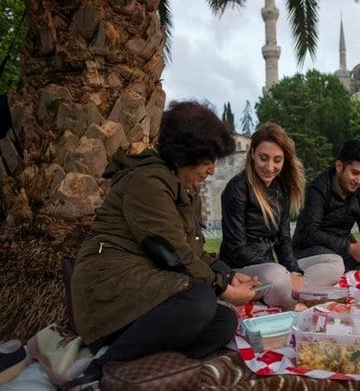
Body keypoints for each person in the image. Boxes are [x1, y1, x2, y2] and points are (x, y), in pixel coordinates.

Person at [66, 101, 257, 389]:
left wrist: (227, 274)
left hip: (144, 289)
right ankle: (102, 365)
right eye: (206, 161)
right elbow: (172, 254)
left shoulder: (181, 186)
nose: (210, 170)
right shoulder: (148, 181)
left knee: (223, 323)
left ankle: (144, 364)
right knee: (200, 299)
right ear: (183, 155)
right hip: (108, 292)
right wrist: (223, 288)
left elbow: (193, 252)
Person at [218, 123, 344, 309]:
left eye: (277, 160)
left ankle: (284, 292)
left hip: (272, 267)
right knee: (277, 277)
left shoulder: (281, 189)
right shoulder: (237, 189)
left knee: (335, 262)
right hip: (242, 268)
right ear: (252, 154)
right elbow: (236, 248)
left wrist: (294, 271)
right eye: (264, 158)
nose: (270, 167)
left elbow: (283, 240)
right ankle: (290, 295)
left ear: (285, 160)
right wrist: (285, 272)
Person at [292, 140, 360, 278]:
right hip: (314, 252)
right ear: (339, 166)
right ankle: (353, 278)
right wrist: (349, 248)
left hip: (345, 253)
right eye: (355, 173)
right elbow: (309, 234)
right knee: (333, 260)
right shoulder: (317, 189)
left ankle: (347, 278)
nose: (359, 180)